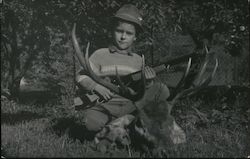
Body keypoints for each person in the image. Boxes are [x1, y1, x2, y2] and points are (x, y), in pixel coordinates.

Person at [75, 4, 170, 145]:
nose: (123, 37)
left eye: (129, 33)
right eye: (119, 31)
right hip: (106, 105)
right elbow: (80, 76)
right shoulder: (100, 54)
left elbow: (141, 92)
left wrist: (148, 82)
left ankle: (122, 125)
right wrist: (95, 86)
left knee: (161, 89)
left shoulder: (139, 60)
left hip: (131, 104)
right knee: (89, 122)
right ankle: (127, 127)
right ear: (113, 31)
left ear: (135, 37)